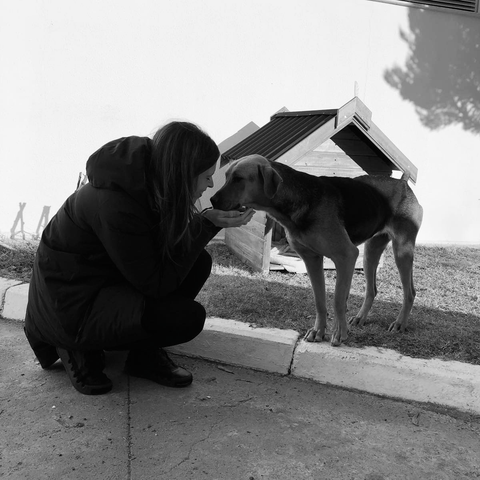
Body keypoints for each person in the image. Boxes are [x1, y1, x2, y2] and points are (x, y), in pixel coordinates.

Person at [24, 121, 255, 395]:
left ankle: (142, 355)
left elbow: (159, 255)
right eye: (205, 175)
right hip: (68, 302)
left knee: (198, 262)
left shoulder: (145, 183)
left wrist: (205, 224)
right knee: (186, 318)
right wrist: (205, 225)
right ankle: (75, 345)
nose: (210, 184)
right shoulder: (116, 204)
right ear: (182, 172)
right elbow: (156, 283)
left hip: (101, 284)